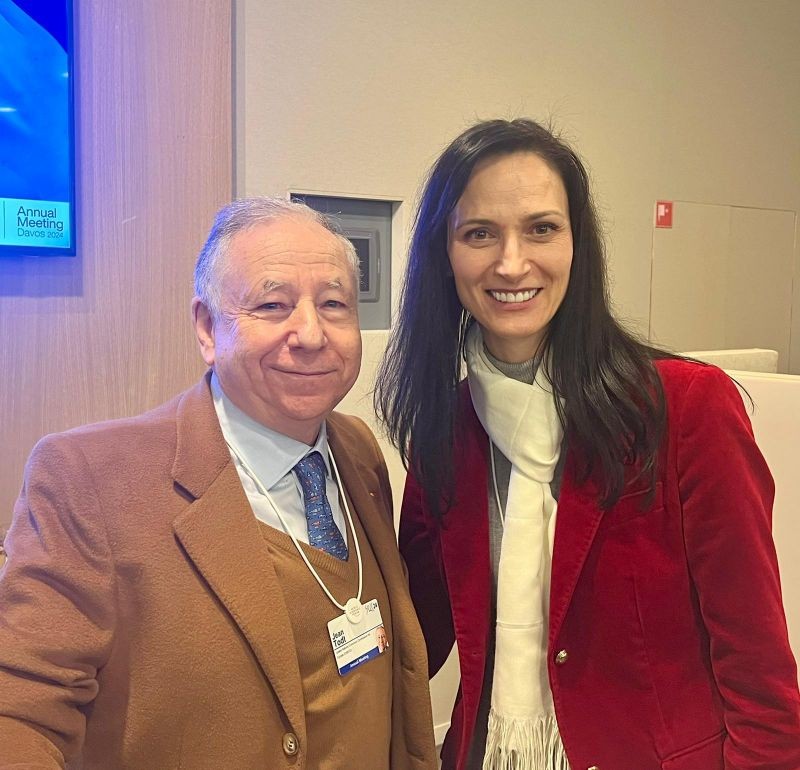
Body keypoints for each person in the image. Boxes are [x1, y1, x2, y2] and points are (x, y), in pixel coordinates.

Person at [375, 119, 800, 770]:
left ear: (578, 243)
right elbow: (417, 641)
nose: (511, 262)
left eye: (541, 228)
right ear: (445, 253)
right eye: (479, 233)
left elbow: (757, 668)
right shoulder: (446, 427)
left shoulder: (684, 409)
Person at [0, 197, 437, 769]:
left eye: (334, 304)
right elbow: (22, 709)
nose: (311, 334)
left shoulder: (358, 453)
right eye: (273, 305)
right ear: (208, 328)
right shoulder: (89, 478)